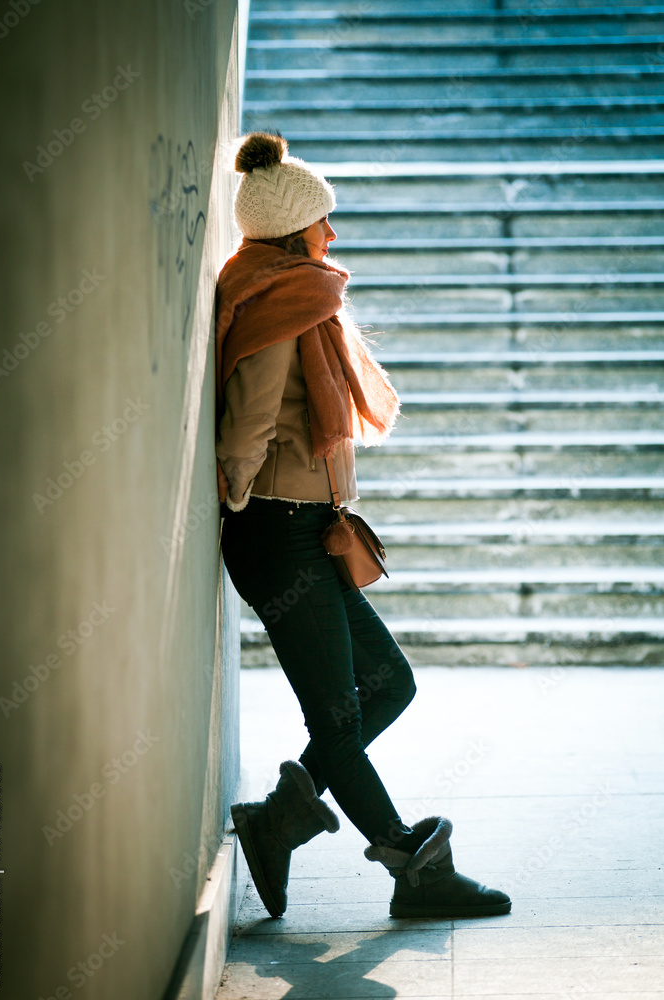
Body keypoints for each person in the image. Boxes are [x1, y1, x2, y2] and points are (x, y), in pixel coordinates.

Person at [215, 131, 511, 921]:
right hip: (277, 529)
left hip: (302, 525)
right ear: (292, 231)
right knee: (340, 716)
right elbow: (247, 418)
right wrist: (245, 501)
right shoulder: (281, 297)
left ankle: (277, 823)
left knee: (389, 682)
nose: (332, 235)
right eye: (323, 222)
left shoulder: (281, 285)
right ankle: (412, 868)